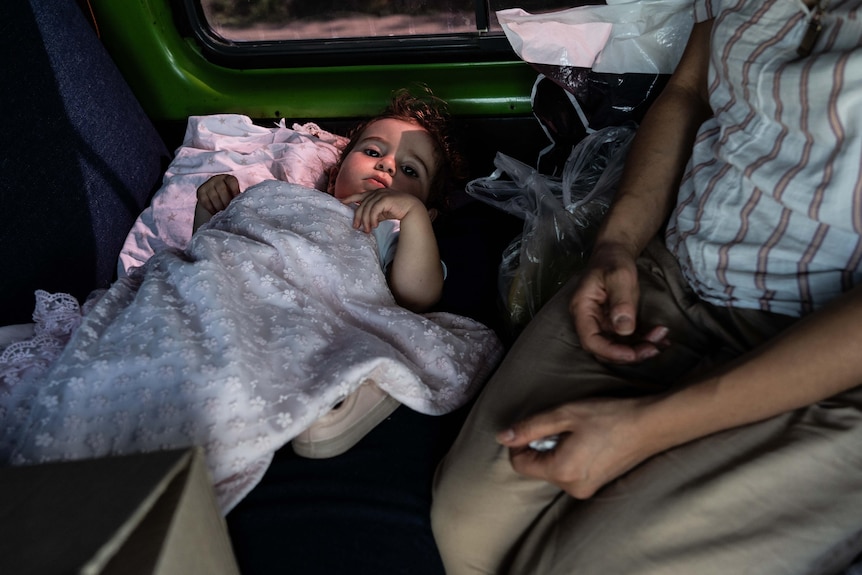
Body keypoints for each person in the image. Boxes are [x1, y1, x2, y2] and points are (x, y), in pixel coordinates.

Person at [431, 1, 862, 573]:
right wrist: (616, 248)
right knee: (466, 532)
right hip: (673, 276)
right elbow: (688, 93)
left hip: (830, 354)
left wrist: (645, 428)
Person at [193, 88, 463, 314]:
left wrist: (411, 216)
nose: (388, 164)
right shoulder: (287, 199)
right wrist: (213, 206)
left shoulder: (391, 230)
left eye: (410, 170)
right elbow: (209, 253)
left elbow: (417, 297)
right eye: (372, 151)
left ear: (427, 215)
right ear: (334, 176)